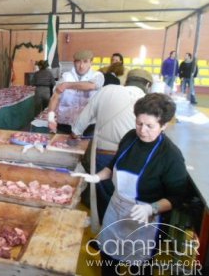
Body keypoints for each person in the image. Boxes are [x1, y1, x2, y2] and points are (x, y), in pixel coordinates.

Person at [72, 93, 190, 275]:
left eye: (150, 126)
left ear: (164, 125)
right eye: (139, 123)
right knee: (108, 257)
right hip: (116, 209)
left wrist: (152, 208)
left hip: (144, 219)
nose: (142, 130)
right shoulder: (130, 138)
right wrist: (96, 177)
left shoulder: (170, 156)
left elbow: (177, 196)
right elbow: (113, 166)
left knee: (139, 265)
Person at [72, 69, 153, 223]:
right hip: (133, 157)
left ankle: (106, 233)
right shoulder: (149, 101)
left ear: (127, 81)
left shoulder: (107, 91)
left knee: (105, 197)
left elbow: (83, 119)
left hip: (104, 155)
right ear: (147, 85)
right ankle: (119, 235)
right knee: (126, 199)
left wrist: (75, 132)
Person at [47, 50, 104, 135]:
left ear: (91, 62)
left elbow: (91, 86)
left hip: (88, 126)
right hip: (65, 124)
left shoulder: (98, 76)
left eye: (85, 62)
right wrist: (51, 118)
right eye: (78, 62)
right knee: (61, 147)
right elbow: (55, 96)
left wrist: (67, 85)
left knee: (85, 147)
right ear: (74, 63)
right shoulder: (65, 76)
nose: (81, 66)